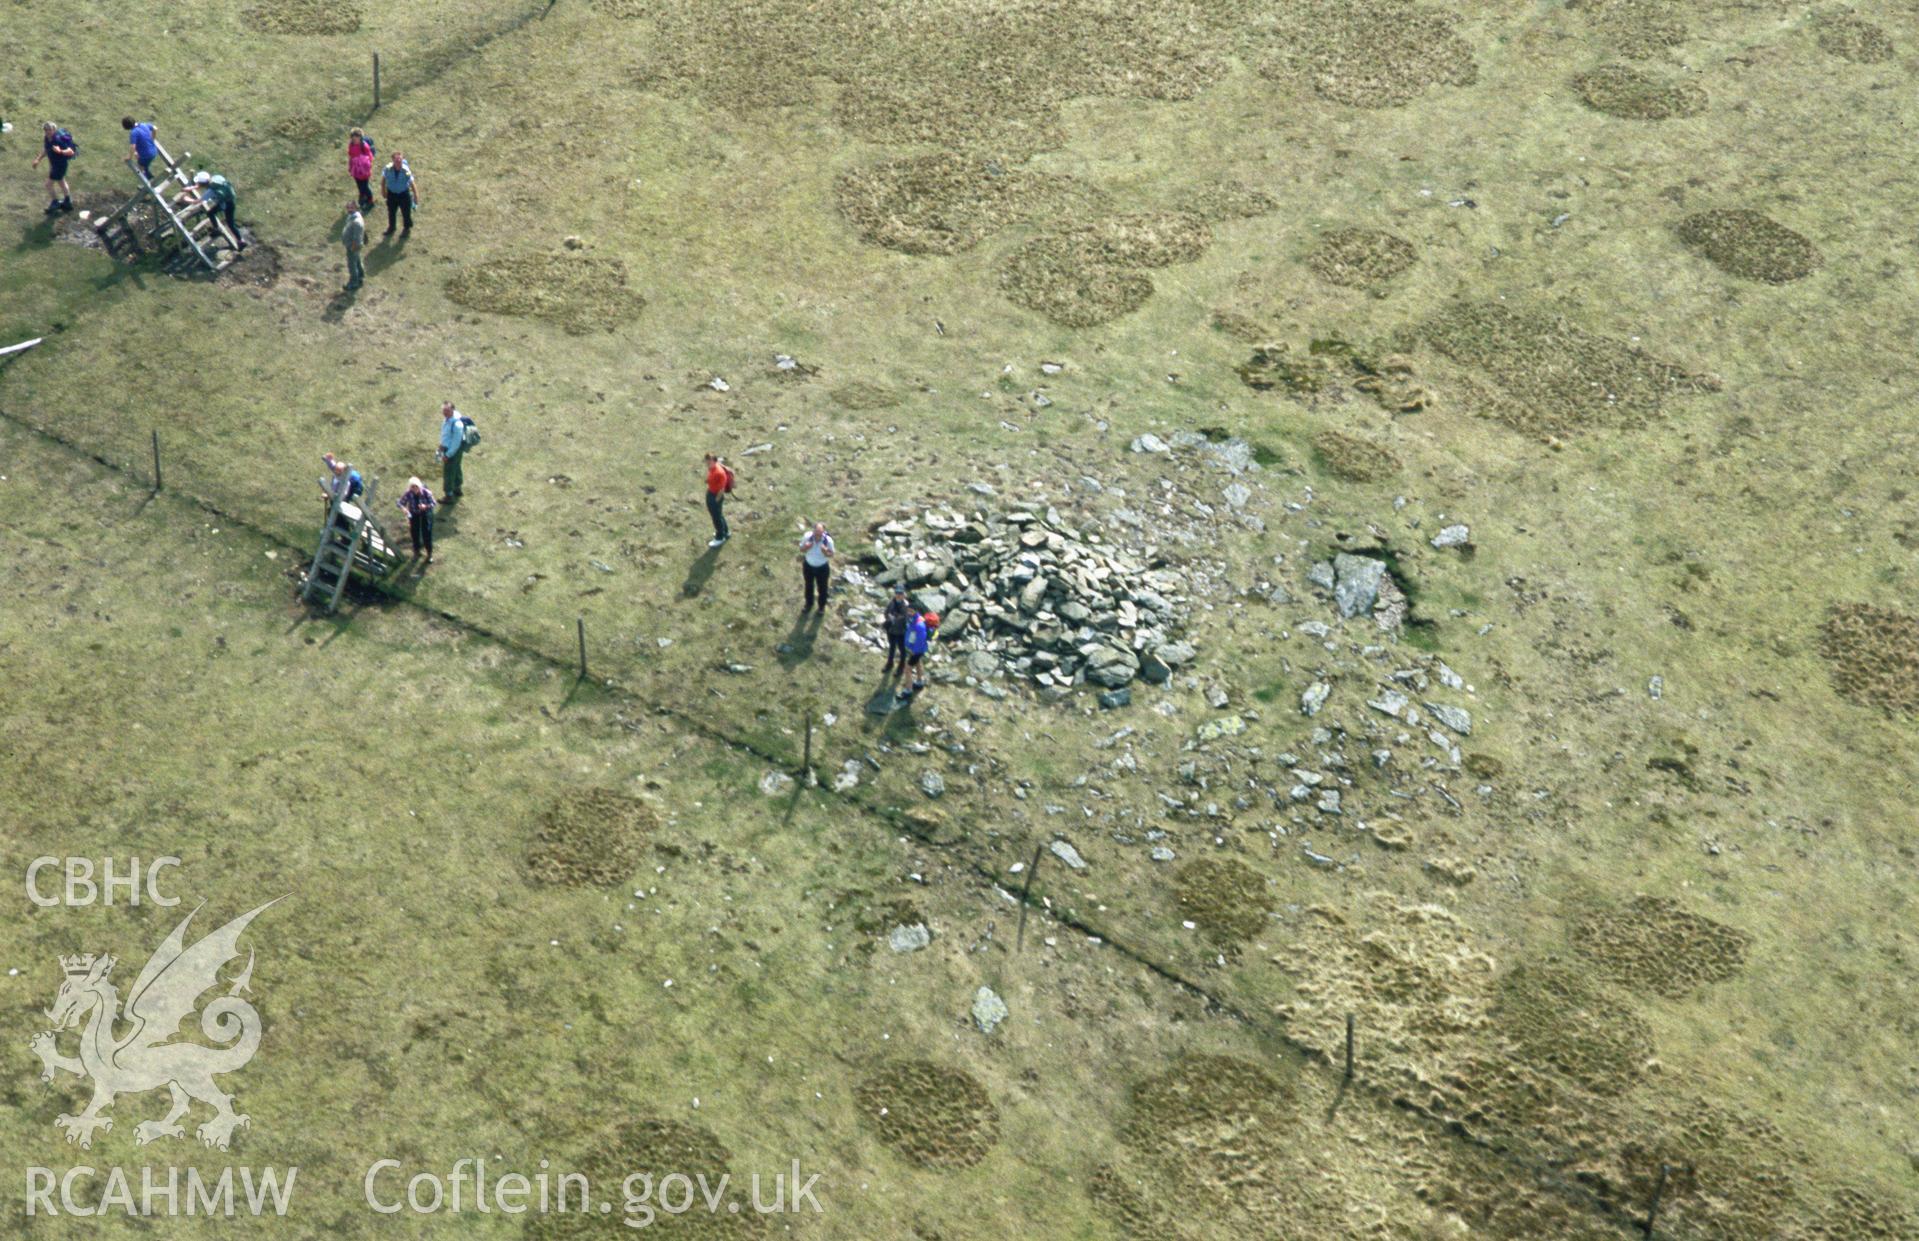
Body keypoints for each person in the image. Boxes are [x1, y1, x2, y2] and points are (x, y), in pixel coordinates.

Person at [175, 170, 242, 249]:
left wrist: (186, 199)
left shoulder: (210, 192)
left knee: (230, 224)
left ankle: (241, 241)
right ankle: (217, 229)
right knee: (211, 213)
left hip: (227, 205)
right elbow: (201, 185)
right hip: (229, 200)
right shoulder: (217, 178)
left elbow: (197, 201)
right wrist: (191, 188)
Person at [33, 122, 76, 214]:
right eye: (45, 129)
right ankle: (67, 202)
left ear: (54, 130)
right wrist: (38, 159)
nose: (47, 131)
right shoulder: (47, 138)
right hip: (55, 165)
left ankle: (55, 202)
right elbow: (46, 149)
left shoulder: (57, 140)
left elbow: (71, 152)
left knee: (48, 185)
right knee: (61, 182)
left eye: (49, 129)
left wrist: (60, 151)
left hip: (60, 165)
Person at [396, 477, 436, 562]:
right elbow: (399, 502)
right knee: (414, 533)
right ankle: (416, 552)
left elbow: (433, 503)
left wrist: (426, 506)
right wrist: (404, 508)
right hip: (414, 515)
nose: (414, 489)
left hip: (425, 514)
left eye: (416, 487)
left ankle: (429, 554)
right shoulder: (408, 493)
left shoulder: (426, 493)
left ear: (419, 486)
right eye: (412, 487)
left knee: (427, 534)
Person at [437, 402, 471, 501]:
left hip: (452, 451)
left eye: (447, 411)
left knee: (448, 472)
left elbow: (456, 443)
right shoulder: (448, 420)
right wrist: (442, 445)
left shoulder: (457, 425)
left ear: (453, 410)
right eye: (443, 410)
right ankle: (457, 489)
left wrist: (447, 455)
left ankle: (449, 495)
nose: (444, 413)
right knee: (456, 468)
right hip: (449, 448)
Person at [898, 608, 933, 700]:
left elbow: (920, 640)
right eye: (908, 610)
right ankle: (919, 682)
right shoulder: (912, 620)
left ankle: (908, 690)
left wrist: (914, 651)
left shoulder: (919, 625)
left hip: (917, 650)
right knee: (918, 663)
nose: (909, 612)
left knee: (907, 669)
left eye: (912, 611)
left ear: (916, 611)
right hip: (915, 649)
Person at [380, 150, 417, 236]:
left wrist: (415, 195)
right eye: (396, 160)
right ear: (392, 160)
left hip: (403, 194)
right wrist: (383, 191)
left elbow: (412, 183)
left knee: (406, 212)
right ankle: (391, 227)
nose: (399, 162)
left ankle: (406, 228)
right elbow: (383, 180)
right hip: (391, 194)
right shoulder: (388, 169)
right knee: (391, 212)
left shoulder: (405, 170)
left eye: (400, 160)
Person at [799, 522, 834, 611]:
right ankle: (808, 604)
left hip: (822, 568)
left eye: (820, 534)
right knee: (809, 585)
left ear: (823, 532)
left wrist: (825, 551)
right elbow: (801, 549)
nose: (818, 536)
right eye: (816, 533)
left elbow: (831, 554)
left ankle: (821, 607)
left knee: (822, 588)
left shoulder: (828, 540)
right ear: (813, 531)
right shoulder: (807, 537)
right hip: (808, 566)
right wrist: (806, 547)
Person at [702, 453, 733, 548]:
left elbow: (721, 490)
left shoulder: (719, 472)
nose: (707, 463)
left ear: (714, 461)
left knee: (716, 517)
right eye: (706, 461)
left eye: (709, 461)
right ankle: (726, 532)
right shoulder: (713, 467)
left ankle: (720, 537)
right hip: (712, 492)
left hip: (715, 496)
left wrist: (716, 501)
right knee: (719, 515)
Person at [881, 587, 912, 675]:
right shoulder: (892, 602)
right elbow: (886, 612)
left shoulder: (906, 605)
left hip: (901, 631)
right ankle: (890, 663)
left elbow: (906, 618)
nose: (898, 595)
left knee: (902, 650)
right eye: (897, 593)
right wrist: (889, 618)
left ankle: (901, 668)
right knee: (892, 647)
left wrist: (896, 619)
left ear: (903, 595)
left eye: (900, 594)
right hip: (891, 629)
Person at [346, 128, 376, 210]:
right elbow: (351, 156)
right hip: (355, 169)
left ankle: (370, 200)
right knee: (359, 185)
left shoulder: (364, 146)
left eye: (356, 138)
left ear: (360, 138)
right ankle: (362, 197)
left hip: (364, 170)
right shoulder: (351, 145)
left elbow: (370, 157)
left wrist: (367, 167)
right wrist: (350, 166)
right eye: (353, 138)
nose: (354, 140)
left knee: (365, 186)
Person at [342, 203, 366, 290]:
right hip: (352, 245)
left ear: (356, 208)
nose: (349, 209)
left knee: (352, 264)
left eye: (351, 207)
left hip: (353, 246)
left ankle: (354, 282)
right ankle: (361, 276)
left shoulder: (357, 222)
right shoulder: (352, 216)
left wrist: (353, 247)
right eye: (348, 207)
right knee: (357, 260)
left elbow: (357, 238)